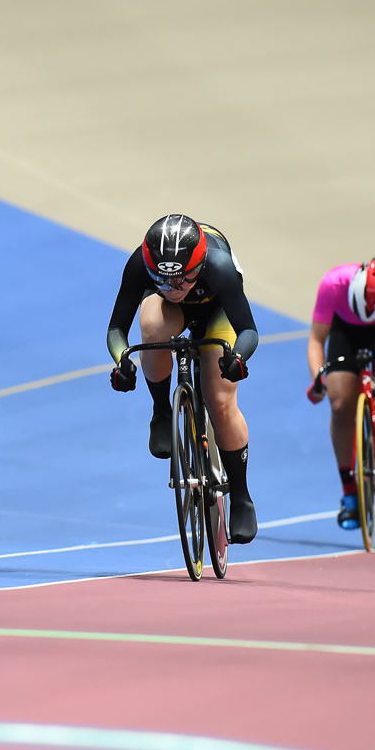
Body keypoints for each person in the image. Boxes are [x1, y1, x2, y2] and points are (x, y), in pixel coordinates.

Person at [107, 214, 259, 544]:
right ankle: (161, 412)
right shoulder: (139, 264)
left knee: (220, 400)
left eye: (180, 281)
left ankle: (242, 497)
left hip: (217, 311)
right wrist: (122, 360)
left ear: (198, 266)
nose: (171, 288)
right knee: (153, 327)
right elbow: (117, 329)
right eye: (161, 280)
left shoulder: (219, 267)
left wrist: (239, 358)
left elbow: (248, 330)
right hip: (169, 314)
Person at [306, 248, 375, 530]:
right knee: (340, 408)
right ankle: (350, 492)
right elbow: (317, 340)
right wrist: (318, 379)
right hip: (345, 332)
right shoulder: (334, 283)